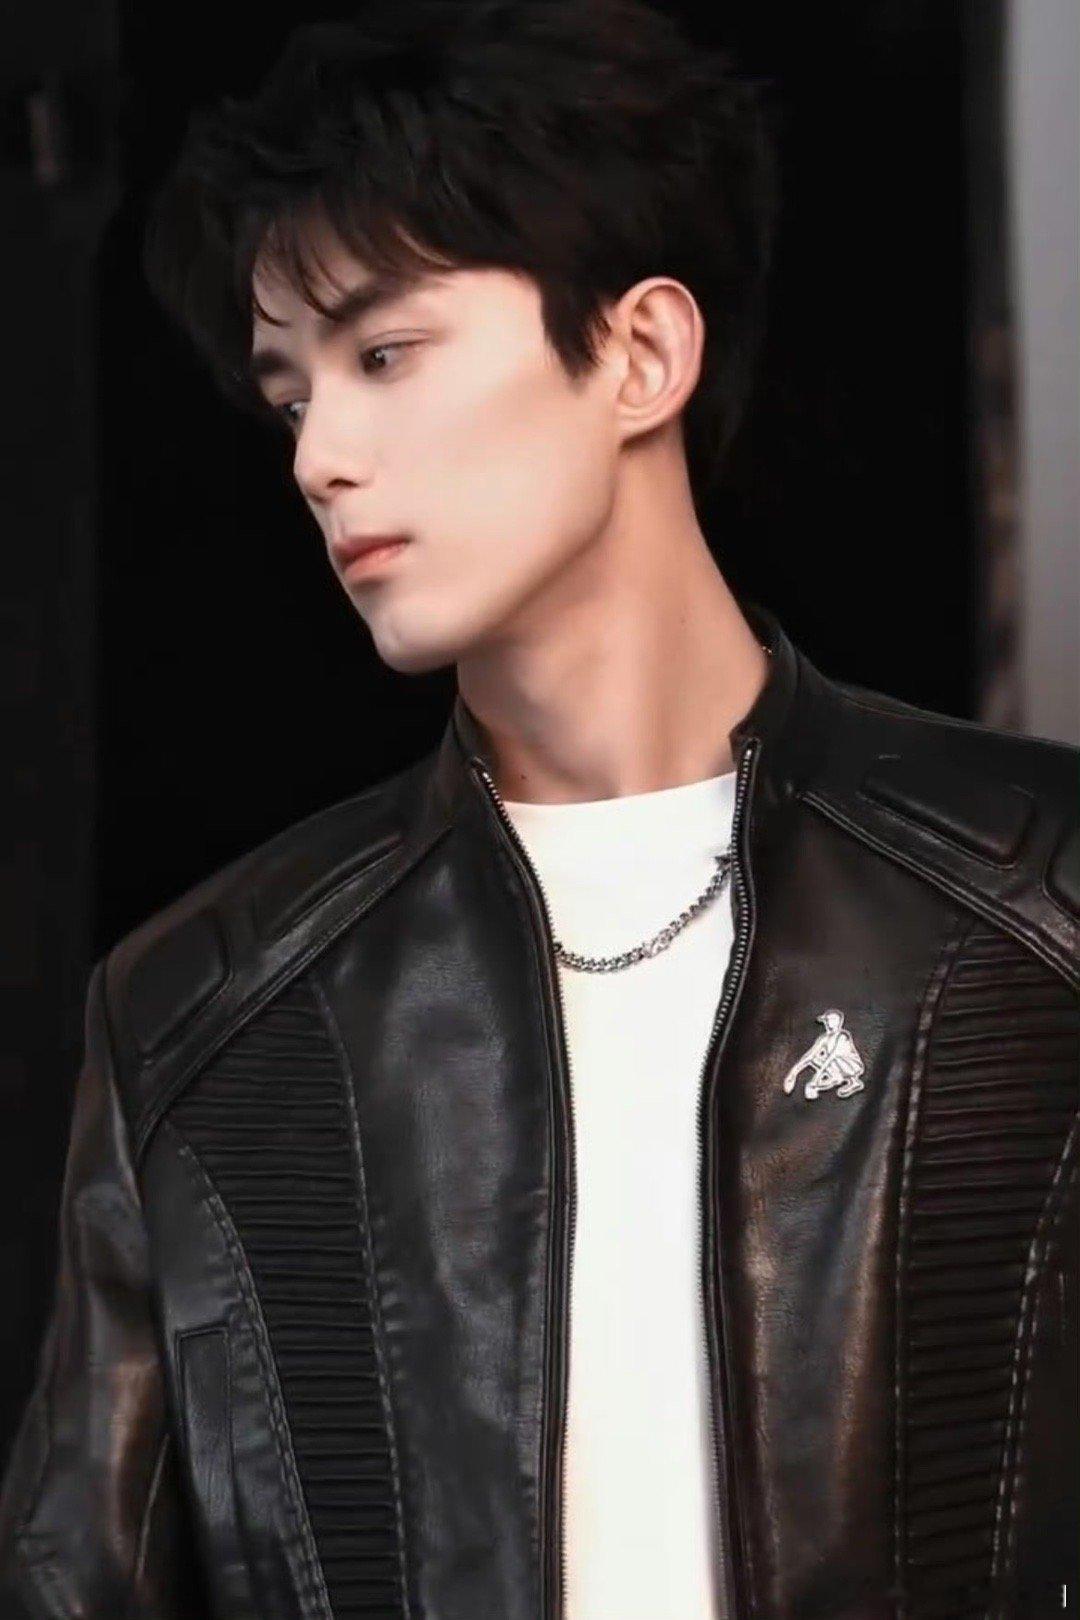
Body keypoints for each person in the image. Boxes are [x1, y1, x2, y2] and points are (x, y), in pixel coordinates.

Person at [1, 2, 1077, 1616]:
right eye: (292, 396)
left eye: (384, 354)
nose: (320, 457)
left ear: (639, 354)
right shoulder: (204, 1017)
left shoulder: (1039, 902)